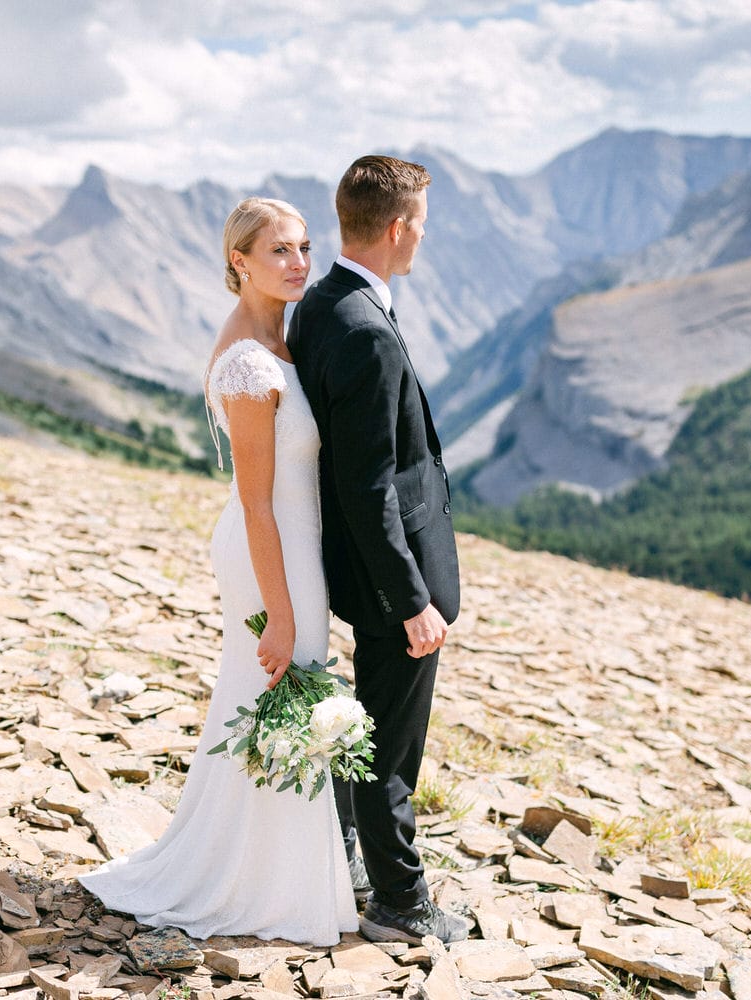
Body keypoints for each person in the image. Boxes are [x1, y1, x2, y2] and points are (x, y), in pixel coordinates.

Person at [78, 197, 356, 946]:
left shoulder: (281, 336)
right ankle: (253, 887)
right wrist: (284, 614)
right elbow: (256, 503)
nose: (299, 263)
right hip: (270, 557)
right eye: (279, 252)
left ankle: (273, 875)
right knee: (273, 697)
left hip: (294, 552)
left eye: (303, 248)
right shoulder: (246, 363)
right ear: (240, 262)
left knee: (280, 709)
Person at [288, 156, 468, 944]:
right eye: (421, 223)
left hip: (364, 568)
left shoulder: (324, 301)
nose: (424, 236)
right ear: (397, 229)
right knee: (390, 745)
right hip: (389, 580)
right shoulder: (365, 329)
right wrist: (412, 602)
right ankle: (400, 902)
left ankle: (349, 860)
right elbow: (368, 486)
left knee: (367, 731)